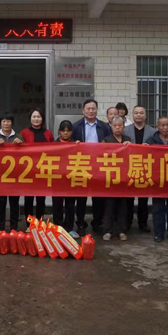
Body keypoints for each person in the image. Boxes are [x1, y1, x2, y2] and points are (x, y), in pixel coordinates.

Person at [72, 98, 111, 235]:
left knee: (98, 197)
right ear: (83, 110)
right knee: (81, 197)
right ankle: (80, 223)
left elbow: (110, 143)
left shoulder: (104, 127)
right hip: (81, 164)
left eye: (93, 108)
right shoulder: (76, 126)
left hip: (99, 165)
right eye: (88, 109)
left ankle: (97, 222)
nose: (91, 111)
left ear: (97, 110)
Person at [123, 105, 156, 233]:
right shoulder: (125, 130)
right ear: (132, 115)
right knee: (128, 198)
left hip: (145, 167)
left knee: (143, 198)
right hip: (129, 167)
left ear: (145, 115)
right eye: (136, 113)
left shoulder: (152, 131)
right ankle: (127, 222)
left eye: (141, 113)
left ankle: (143, 223)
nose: (139, 115)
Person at [20, 108, 54, 224]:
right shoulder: (24, 133)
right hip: (28, 171)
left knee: (41, 200)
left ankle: (39, 223)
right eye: (34, 117)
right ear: (30, 119)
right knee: (28, 200)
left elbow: (54, 149)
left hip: (42, 171)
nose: (36, 119)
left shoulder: (48, 133)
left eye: (38, 117)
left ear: (42, 119)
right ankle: (29, 224)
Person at [0, 113, 24, 231]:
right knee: (1, 204)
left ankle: (14, 229)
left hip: (15, 176)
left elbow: (26, 154)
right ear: (0, 123)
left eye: (8, 121)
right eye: (4, 121)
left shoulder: (18, 137)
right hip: (0, 176)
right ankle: (1, 229)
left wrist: (21, 144)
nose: (6, 123)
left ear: (12, 123)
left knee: (14, 204)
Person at [101, 116, 131, 241]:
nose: (117, 128)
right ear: (111, 127)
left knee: (123, 206)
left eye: (120, 125)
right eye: (115, 126)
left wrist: (130, 146)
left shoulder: (128, 139)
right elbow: (101, 156)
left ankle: (121, 230)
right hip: (110, 177)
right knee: (109, 205)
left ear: (124, 127)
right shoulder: (106, 140)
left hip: (123, 178)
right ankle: (107, 230)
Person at [52, 120, 79, 238]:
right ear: (59, 132)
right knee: (57, 205)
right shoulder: (53, 145)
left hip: (70, 179)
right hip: (57, 180)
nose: (66, 133)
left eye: (68, 131)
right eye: (63, 131)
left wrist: (80, 146)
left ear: (71, 132)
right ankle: (57, 227)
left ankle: (69, 228)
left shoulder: (76, 144)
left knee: (70, 205)